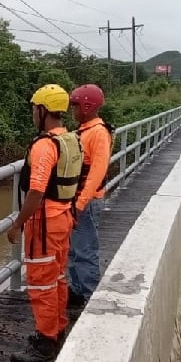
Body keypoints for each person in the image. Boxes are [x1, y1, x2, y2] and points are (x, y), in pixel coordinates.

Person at [7, 84, 83, 362]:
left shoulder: (44, 146)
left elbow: (36, 192)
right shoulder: (71, 139)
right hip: (63, 216)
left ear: (43, 111)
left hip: (44, 223)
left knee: (41, 283)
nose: (31, 113)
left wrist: (17, 224)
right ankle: (57, 327)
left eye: (33, 109)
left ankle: (45, 343)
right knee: (58, 278)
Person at [67, 84, 114, 308]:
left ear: (87, 106)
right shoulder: (84, 130)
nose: (72, 110)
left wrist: (81, 202)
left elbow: (97, 171)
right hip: (77, 200)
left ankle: (90, 296)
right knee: (75, 250)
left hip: (86, 201)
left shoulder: (98, 133)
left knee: (85, 250)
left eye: (75, 105)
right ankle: (76, 291)